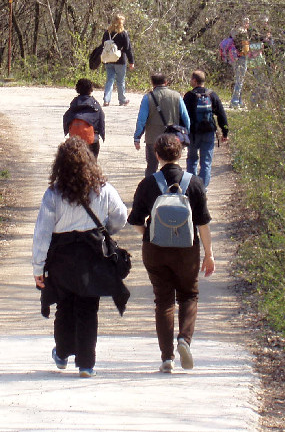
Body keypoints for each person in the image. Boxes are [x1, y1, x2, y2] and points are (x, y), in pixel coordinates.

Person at [32, 138, 129, 378]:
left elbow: (43, 232)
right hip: (92, 255)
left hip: (61, 257)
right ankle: (86, 363)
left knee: (64, 306)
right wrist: (107, 230)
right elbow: (120, 216)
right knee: (88, 308)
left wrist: (38, 266)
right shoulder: (103, 189)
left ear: (59, 165)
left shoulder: (53, 193)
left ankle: (63, 353)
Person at [129, 134, 215, 373]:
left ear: (157, 155)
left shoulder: (148, 184)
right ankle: (184, 340)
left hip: (155, 250)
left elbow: (134, 220)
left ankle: (167, 358)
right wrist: (209, 254)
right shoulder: (194, 183)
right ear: (181, 153)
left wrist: (149, 234)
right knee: (189, 295)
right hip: (186, 250)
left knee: (163, 300)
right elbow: (203, 224)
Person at [133, 73, 191, 176]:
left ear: (152, 83)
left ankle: (150, 189)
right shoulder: (177, 96)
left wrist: (137, 137)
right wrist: (186, 134)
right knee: (172, 165)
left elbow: (141, 120)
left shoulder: (148, 98)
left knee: (151, 167)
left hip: (153, 139)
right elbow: (186, 118)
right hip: (173, 139)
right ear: (166, 82)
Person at [182, 69, 229, 187]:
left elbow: (182, 115)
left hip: (193, 133)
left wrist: (182, 133)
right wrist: (225, 132)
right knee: (206, 162)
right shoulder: (212, 95)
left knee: (192, 160)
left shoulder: (189, 96)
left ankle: (191, 187)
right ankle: (202, 188)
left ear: (194, 80)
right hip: (208, 133)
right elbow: (221, 115)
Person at [63, 78, 106, 158]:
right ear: (91, 89)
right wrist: (102, 134)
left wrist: (67, 131)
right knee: (92, 160)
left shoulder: (73, 104)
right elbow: (101, 120)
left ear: (77, 89)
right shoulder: (95, 104)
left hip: (75, 140)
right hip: (91, 140)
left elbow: (66, 118)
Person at [101, 13, 135, 107]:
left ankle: (106, 100)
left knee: (109, 80)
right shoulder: (123, 33)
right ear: (122, 22)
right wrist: (131, 61)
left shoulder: (107, 33)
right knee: (120, 81)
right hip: (120, 60)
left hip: (108, 59)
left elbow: (103, 45)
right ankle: (122, 100)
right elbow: (128, 48)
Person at [230, 17, 251, 108]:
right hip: (242, 57)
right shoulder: (243, 32)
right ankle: (234, 101)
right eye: (248, 23)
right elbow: (245, 48)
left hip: (233, 57)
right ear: (244, 23)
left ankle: (239, 100)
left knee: (238, 79)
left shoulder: (233, 31)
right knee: (240, 80)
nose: (248, 25)